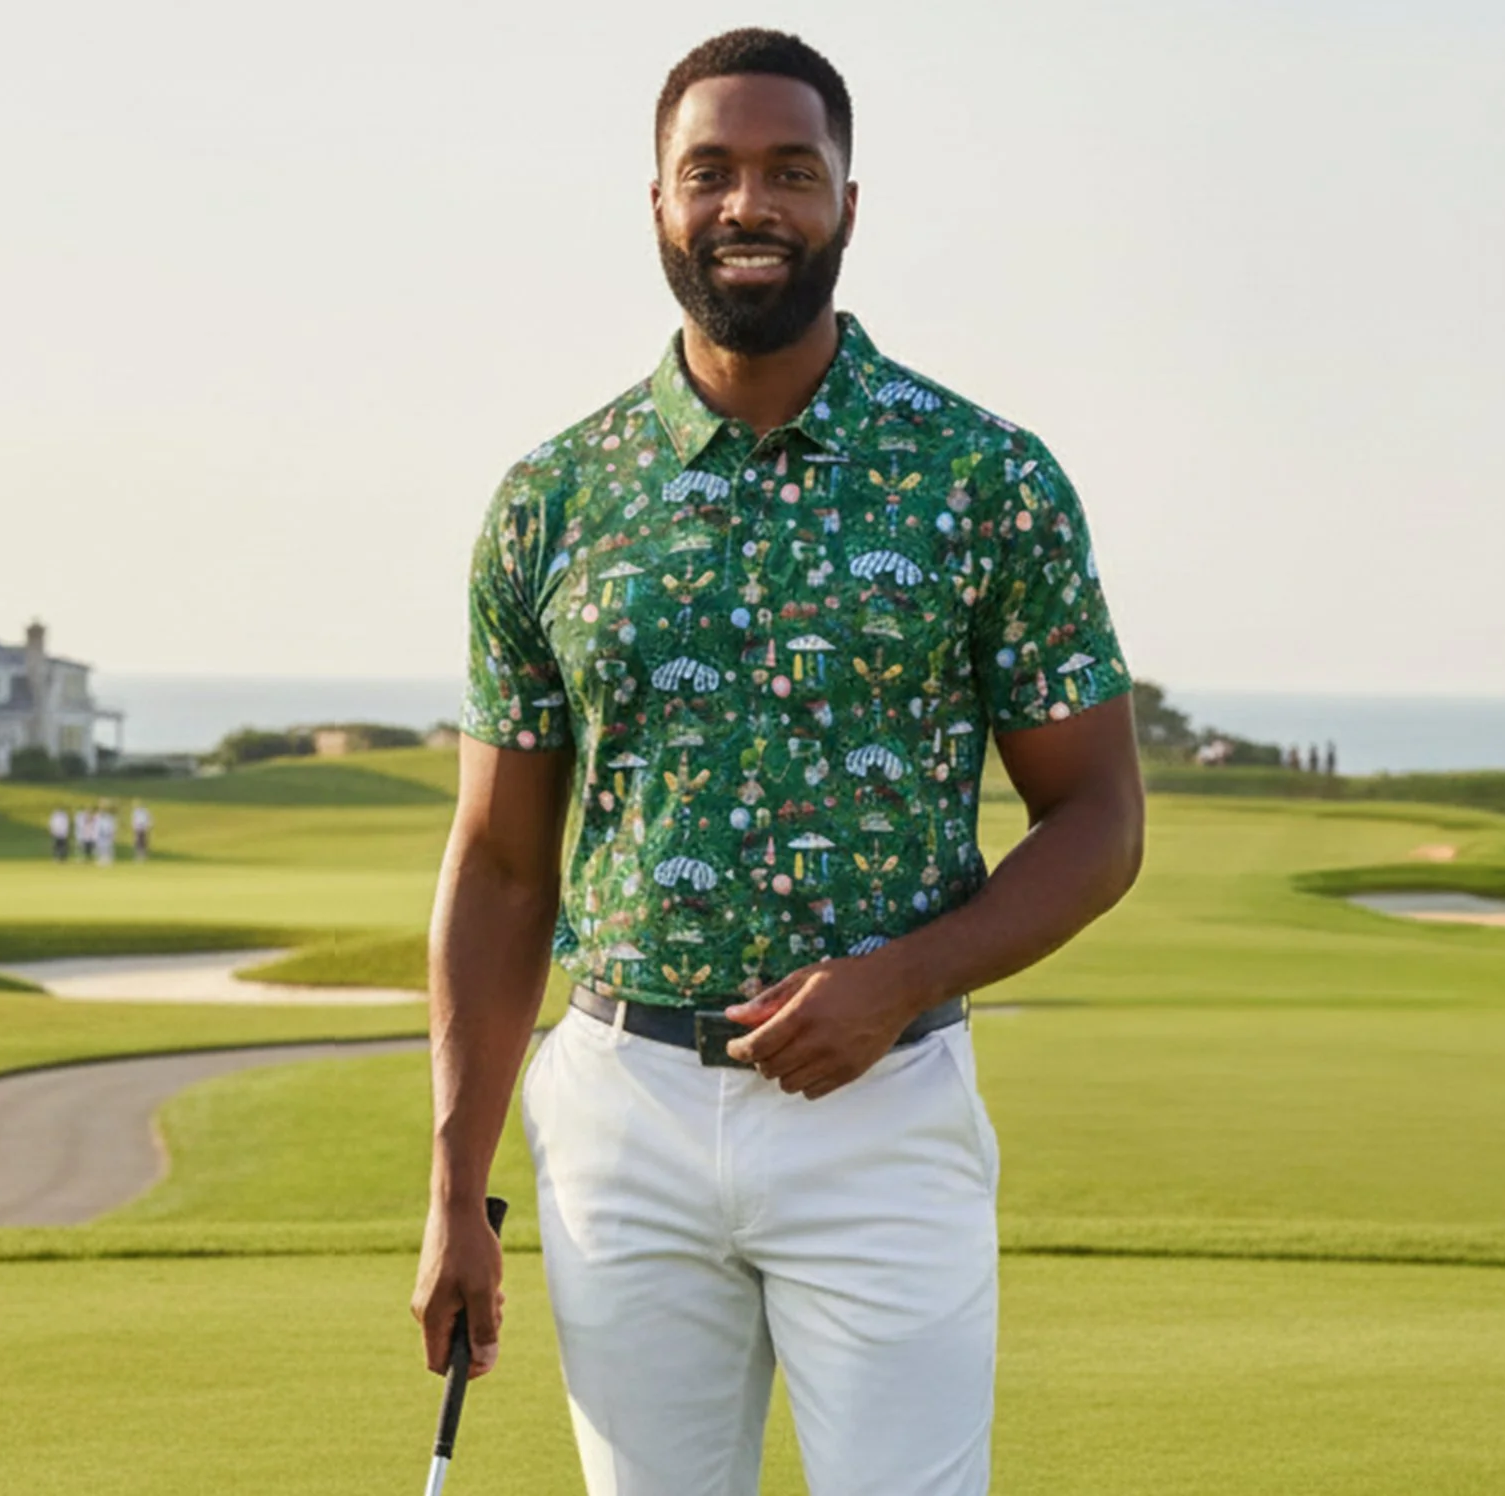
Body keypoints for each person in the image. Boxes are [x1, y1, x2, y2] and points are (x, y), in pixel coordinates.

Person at [414, 30, 1144, 1496]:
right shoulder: (551, 501)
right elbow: (501, 865)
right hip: (622, 1114)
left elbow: (1099, 817)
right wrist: (454, 1188)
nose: (750, 203)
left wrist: (898, 978)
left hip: (883, 1116)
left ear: (848, 207)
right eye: (713, 172)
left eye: (790, 172)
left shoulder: (984, 478)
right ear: (660, 205)